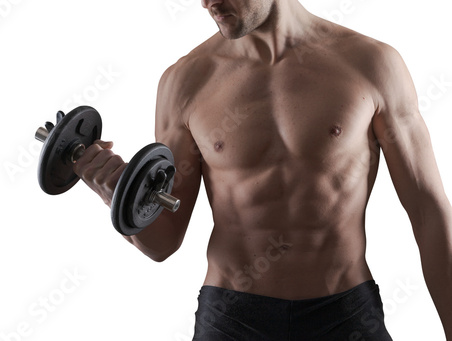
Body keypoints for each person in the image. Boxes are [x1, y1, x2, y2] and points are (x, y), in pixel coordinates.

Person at [73, 0, 452, 339]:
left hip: (345, 314)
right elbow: (163, 242)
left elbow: (429, 211)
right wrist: (115, 192)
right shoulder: (185, 82)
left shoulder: (371, 64)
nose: (206, 3)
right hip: (232, 320)